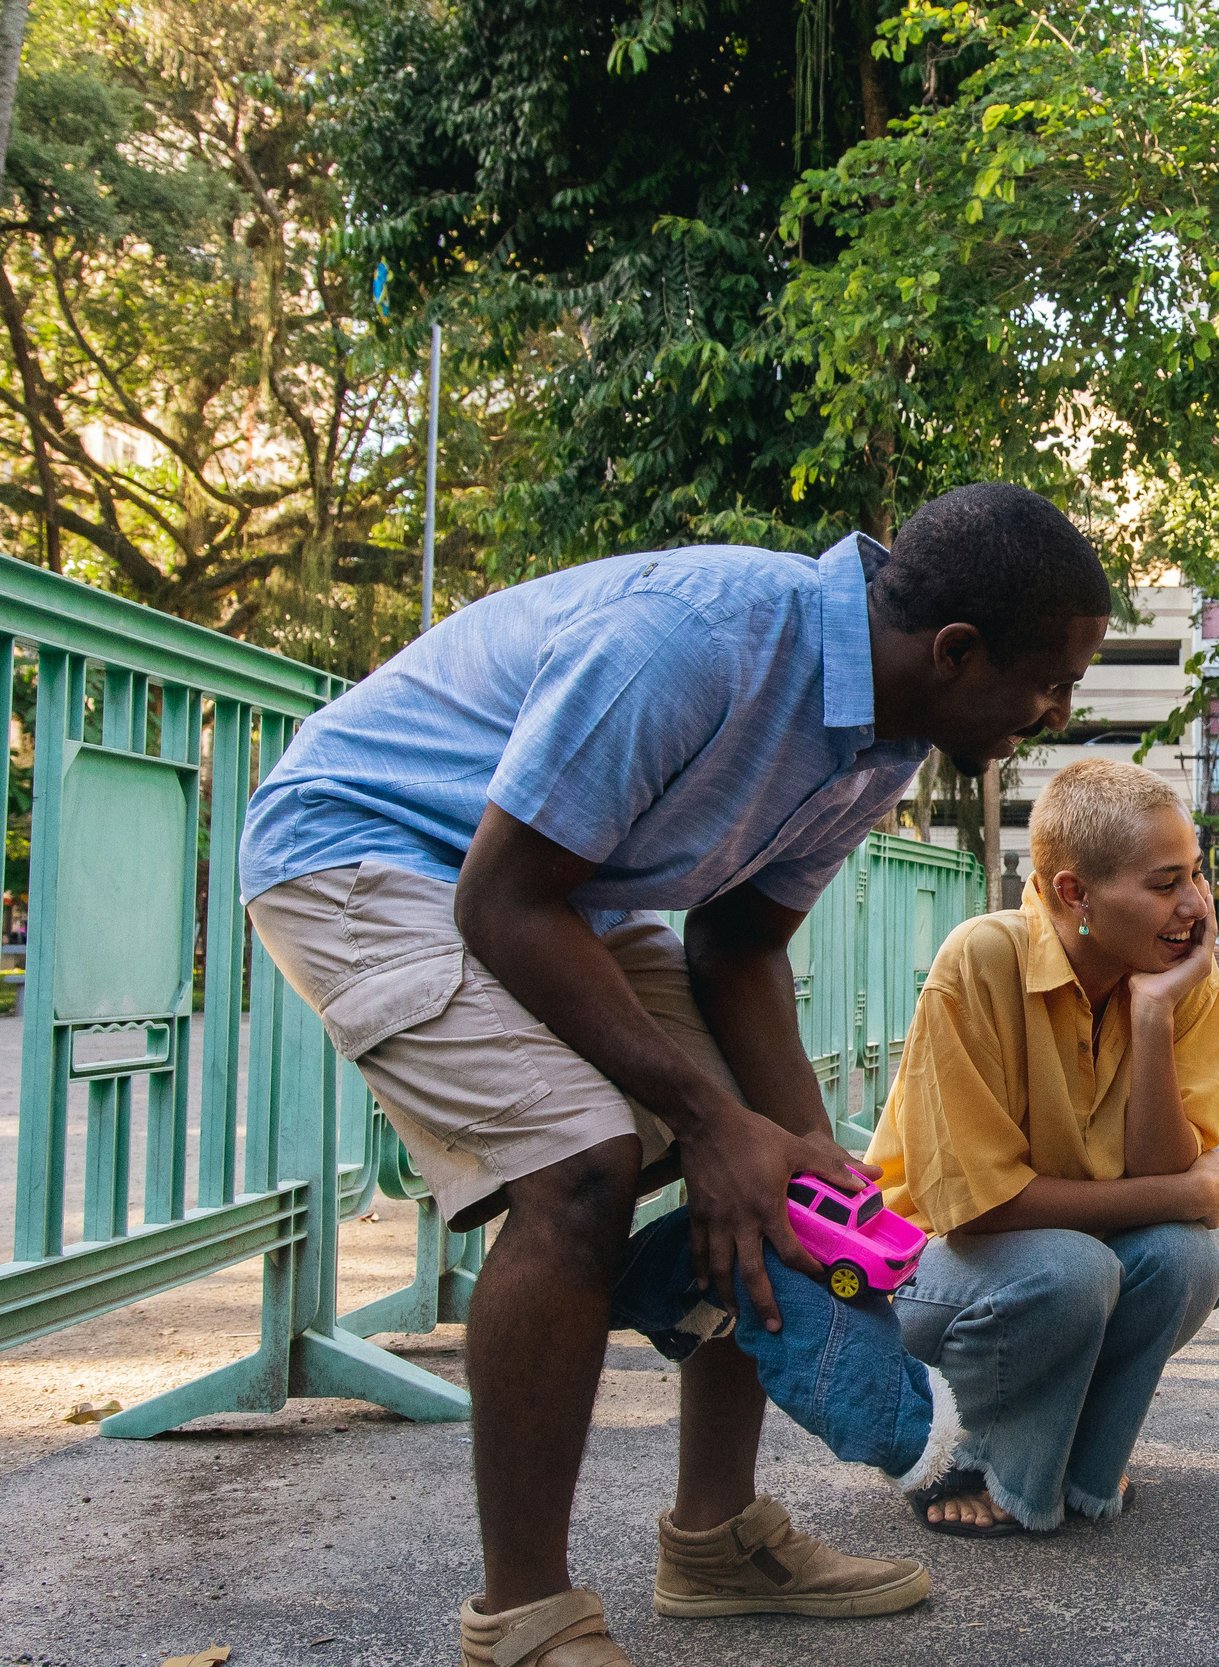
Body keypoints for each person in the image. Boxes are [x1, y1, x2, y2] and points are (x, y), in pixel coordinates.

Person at [240, 483, 1112, 1667]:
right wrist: (708, 1123)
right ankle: (524, 1616)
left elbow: (738, 942)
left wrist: (807, 1156)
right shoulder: (697, 638)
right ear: (955, 651)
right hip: (367, 848)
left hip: (554, 887)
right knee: (584, 1166)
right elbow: (499, 899)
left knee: (770, 1176)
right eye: (1047, 683)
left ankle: (714, 1538)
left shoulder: (885, 737)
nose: (1054, 712)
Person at [866, 758, 1219, 1537]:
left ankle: (1084, 1471)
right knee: (1076, 1268)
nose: (1195, 907)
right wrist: (1181, 1196)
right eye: (1166, 883)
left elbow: (1162, 1168)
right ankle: (975, 1460)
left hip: (1059, 1266)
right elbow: (982, 1211)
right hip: (918, 1285)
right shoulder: (981, 960)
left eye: (1197, 875)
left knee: (1185, 1261)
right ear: (1076, 894)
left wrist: (1150, 1019)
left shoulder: (1174, 979)